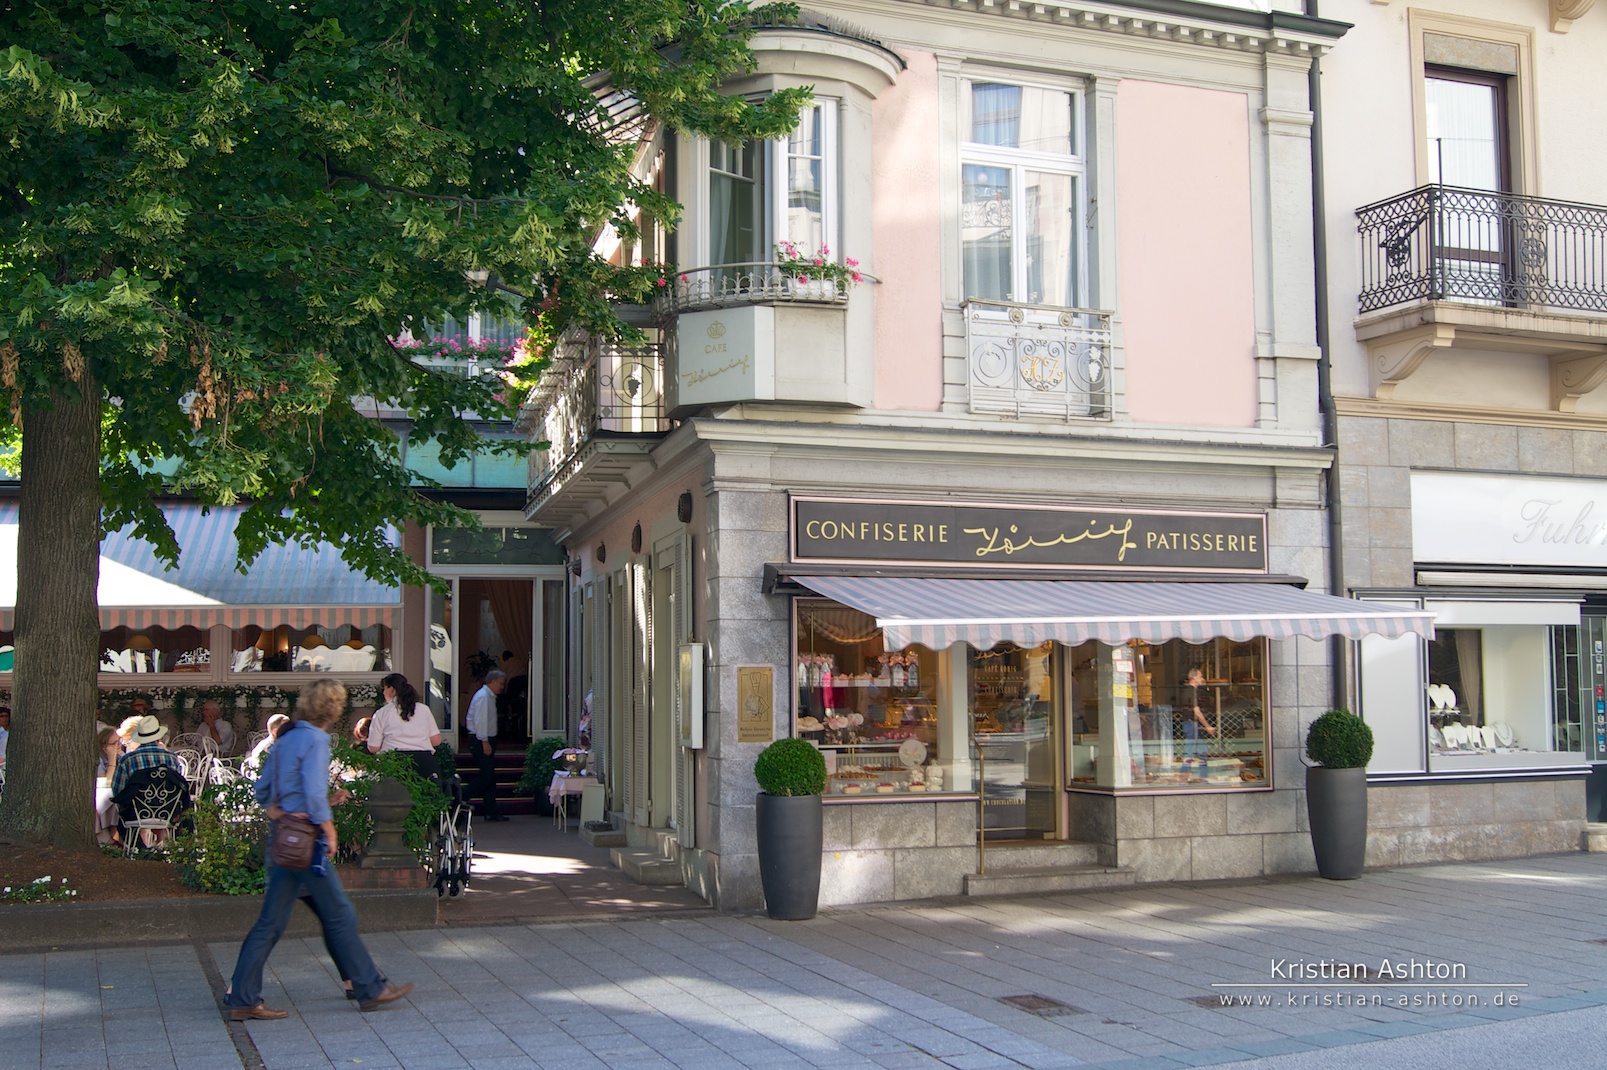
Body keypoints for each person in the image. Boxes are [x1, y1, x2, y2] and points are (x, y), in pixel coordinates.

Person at [223, 678, 413, 1020]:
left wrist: (281, 812)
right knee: (340, 914)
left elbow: (264, 791)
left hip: (283, 841)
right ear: (334, 708)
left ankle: (243, 997)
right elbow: (310, 794)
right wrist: (327, 825)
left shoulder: (286, 738)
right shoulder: (315, 738)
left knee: (271, 923)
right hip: (308, 845)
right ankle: (369, 987)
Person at [110, 716, 189, 844]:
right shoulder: (172, 758)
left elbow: (117, 791)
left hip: (137, 813)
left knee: (121, 821)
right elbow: (176, 786)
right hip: (167, 812)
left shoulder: (128, 759)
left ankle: (141, 851)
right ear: (158, 736)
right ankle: (160, 849)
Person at [368, 673, 442, 779]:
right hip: (424, 762)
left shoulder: (382, 713)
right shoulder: (424, 709)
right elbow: (436, 740)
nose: (384, 693)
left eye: (384, 689)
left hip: (394, 761)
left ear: (391, 690)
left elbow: (373, 747)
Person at [464, 670, 507, 821]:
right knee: (487, 776)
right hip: (481, 739)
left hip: (484, 738)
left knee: (489, 776)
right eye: (501, 683)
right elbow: (480, 721)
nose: (502, 687)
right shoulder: (483, 697)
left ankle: (491, 811)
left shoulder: (487, 696)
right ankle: (461, 796)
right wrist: (485, 741)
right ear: (493, 682)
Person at [1181, 667, 1215, 769]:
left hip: (1191, 724)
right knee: (1190, 753)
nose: (1202, 679)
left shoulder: (1190, 691)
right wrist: (1208, 726)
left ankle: (1202, 776)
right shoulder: (1191, 692)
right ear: (1194, 677)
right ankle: (1184, 777)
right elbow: (1197, 712)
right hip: (1191, 724)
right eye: (1200, 677)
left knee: (1202, 751)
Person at [94, 727, 121, 847]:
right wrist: (111, 761)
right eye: (115, 743)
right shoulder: (99, 759)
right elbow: (106, 782)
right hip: (102, 793)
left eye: (119, 741)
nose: (119, 745)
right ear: (105, 746)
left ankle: (112, 840)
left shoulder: (122, 756)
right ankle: (106, 839)